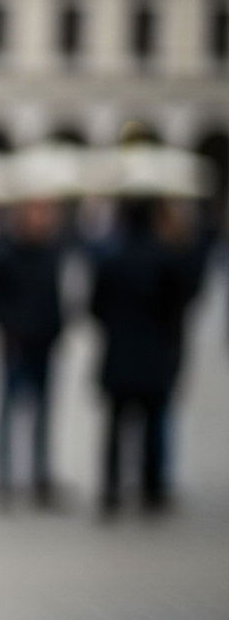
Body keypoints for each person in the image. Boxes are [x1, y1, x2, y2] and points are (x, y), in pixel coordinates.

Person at [91, 197, 203, 516]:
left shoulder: (111, 260)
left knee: (116, 426)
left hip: (119, 354)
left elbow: (95, 307)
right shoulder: (167, 259)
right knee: (153, 424)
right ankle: (151, 489)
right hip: (155, 353)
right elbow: (182, 301)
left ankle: (111, 488)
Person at [0, 198, 64, 509]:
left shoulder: (51, 250)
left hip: (44, 342)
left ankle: (40, 475)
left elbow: (54, 295)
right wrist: (9, 323)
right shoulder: (3, 252)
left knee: (43, 412)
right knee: (7, 410)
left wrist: (57, 327)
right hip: (15, 344)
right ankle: (3, 478)